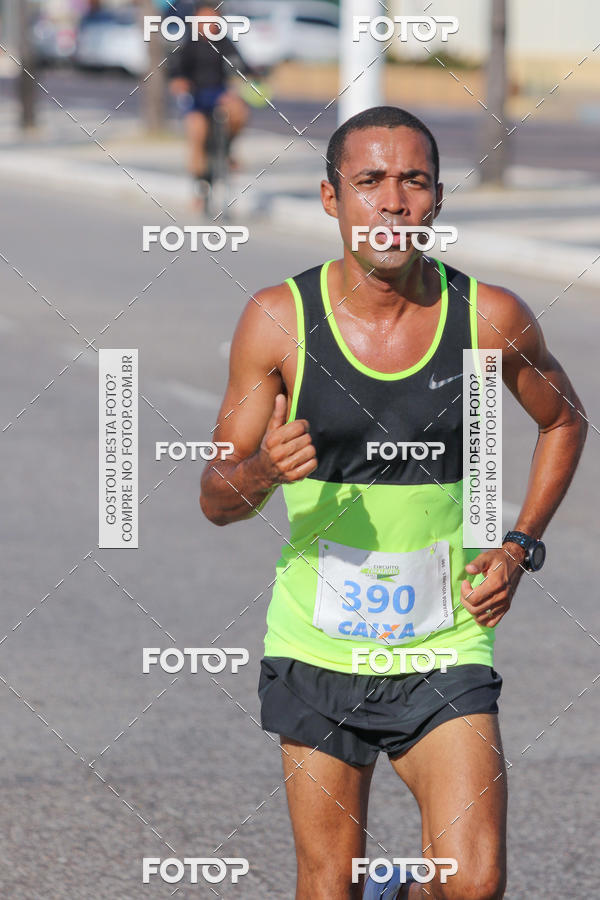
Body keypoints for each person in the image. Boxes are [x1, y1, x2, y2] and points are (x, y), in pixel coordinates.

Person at [199, 106, 587, 899]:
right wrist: (265, 470)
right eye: (369, 182)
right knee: (328, 884)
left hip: (443, 645)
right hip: (316, 648)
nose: (393, 201)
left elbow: (565, 421)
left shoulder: (488, 318)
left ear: (437, 199)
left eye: (413, 181)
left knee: (472, 884)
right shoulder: (279, 321)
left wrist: (517, 547)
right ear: (330, 198)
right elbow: (215, 496)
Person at [167, 3, 253, 204]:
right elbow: (175, 73)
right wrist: (180, 83)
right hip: (196, 98)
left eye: (213, 20)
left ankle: (227, 149)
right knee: (197, 130)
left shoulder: (225, 43)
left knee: (239, 111)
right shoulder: (186, 45)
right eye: (204, 20)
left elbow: (241, 67)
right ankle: (200, 185)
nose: (209, 25)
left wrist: (248, 78)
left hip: (220, 94)